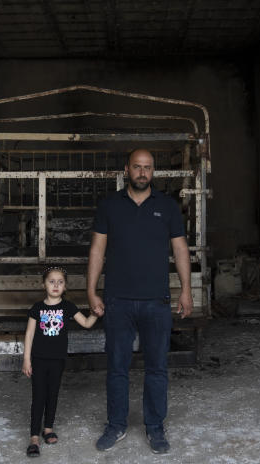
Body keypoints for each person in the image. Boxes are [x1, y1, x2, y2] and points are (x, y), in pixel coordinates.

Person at [87, 148, 193, 455]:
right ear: (127, 169)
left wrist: (185, 290)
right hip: (118, 301)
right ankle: (116, 425)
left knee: (157, 368)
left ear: (153, 172)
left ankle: (155, 427)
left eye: (147, 168)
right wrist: (91, 290)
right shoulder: (109, 205)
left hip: (156, 302)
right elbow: (97, 249)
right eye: (137, 167)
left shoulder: (168, 207)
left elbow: (181, 250)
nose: (142, 172)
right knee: (117, 367)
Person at [22, 266, 99, 458]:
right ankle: (33, 437)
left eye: (60, 282)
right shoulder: (37, 308)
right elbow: (30, 334)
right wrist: (26, 359)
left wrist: (96, 313)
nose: (56, 285)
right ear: (44, 284)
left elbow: (87, 324)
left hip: (57, 360)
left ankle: (48, 428)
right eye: (51, 281)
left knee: (53, 394)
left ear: (65, 287)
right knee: (39, 396)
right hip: (38, 360)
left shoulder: (68, 307)